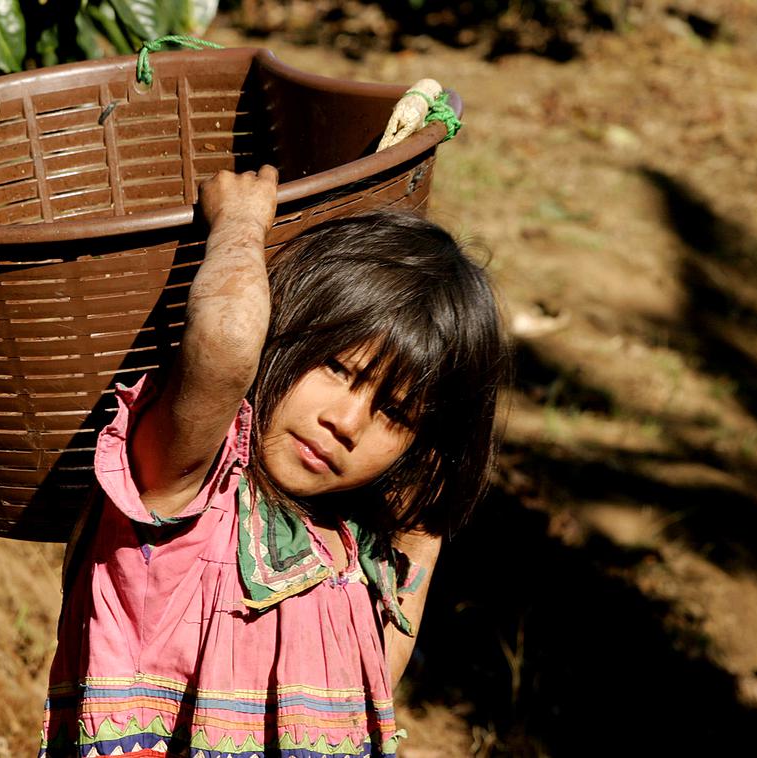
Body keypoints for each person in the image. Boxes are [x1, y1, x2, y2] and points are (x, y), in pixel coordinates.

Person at [41, 166, 506, 758]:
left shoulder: (354, 558)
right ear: (278, 331)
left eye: (394, 412)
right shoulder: (186, 489)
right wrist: (238, 227)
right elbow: (224, 352)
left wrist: (426, 513)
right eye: (338, 368)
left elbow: (374, 692)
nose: (347, 422)